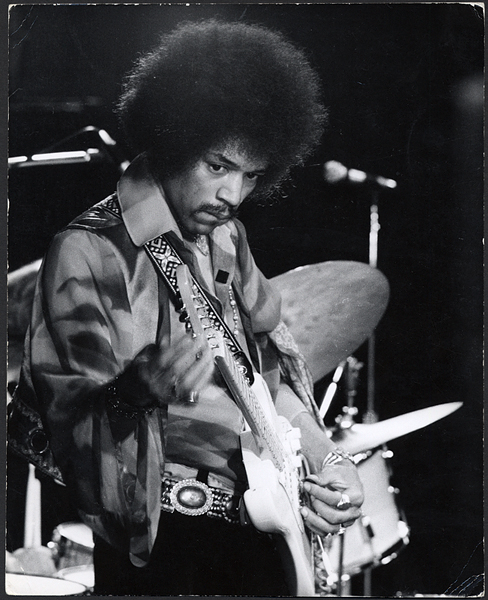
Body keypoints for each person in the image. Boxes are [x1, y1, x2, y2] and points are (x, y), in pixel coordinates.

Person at [12, 19, 364, 595]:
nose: (232, 196)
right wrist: (135, 394)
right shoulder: (91, 251)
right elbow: (65, 424)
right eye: (218, 166)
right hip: (164, 550)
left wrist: (328, 463)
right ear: (173, 139)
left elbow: (265, 382)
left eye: (251, 176)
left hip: (256, 536)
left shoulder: (227, 239)